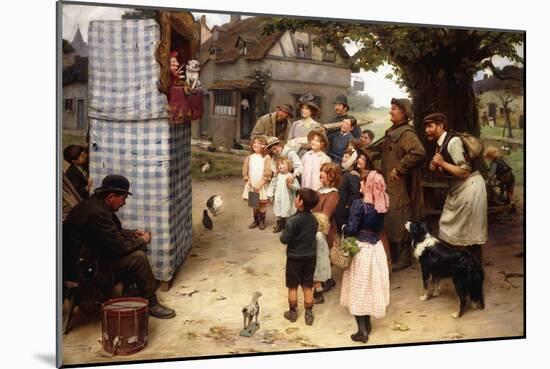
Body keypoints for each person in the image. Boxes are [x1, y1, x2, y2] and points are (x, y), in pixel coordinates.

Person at [63, 174, 176, 319]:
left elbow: (110, 232)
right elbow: (119, 247)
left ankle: (130, 290)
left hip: (88, 259)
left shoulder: (96, 204)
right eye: (123, 198)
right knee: (138, 257)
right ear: (111, 196)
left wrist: (132, 234)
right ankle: (152, 303)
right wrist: (142, 240)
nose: (124, 203)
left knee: (136, 246)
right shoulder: (97, 213)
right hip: (85, 272)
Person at [369, 98, 426, 271]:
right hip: (389, 184)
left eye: (394, 109)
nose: (390, 111)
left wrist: (400, 167)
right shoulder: (393, 131)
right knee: (391, 216)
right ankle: (393, 255)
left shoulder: (407, 133)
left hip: (401, 185)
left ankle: (404, 257)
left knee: (400, 216)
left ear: (404, 113)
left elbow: (419, 152)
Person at [424, 112, 488, 261]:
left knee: (471, 233)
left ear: (440, 126)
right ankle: (458, 268)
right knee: (449, 227)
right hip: (459, 189)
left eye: (430, 126)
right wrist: (438, 169)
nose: (426, 130)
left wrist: (442, 163)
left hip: (470, 188)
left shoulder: (453, 143)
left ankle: (474, 273)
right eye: (426, 126)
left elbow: (465, 171)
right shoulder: (441, 144)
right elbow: (448, 173)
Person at [340, 171, 390, 343]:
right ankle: (367, 325)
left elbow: (352, 229)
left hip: (361, 249)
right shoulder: (383, 201)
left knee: (359, 289)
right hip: (376, 248)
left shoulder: (359, 204)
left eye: (363, 182)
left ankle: (362, 332)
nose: (360, 185)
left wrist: (345, 227)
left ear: (368, 185)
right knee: (370, 288)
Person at [280, 188, 320, 326]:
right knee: (307, 285)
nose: (295, 199)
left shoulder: (292, 221)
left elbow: (284, 239)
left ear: (300, 202)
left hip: (294, 258)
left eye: (296, 197)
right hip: (310, 257)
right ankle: (308, 314)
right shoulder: (314, 220)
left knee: (292, 286)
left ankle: (292, 312)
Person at [312, 162, 341, 292]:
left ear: (332, 177)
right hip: (314, 227)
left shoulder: (333, 194)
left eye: (325, 172)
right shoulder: (320, 191)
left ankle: (324, 282)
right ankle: (325, 280)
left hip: (324, 231)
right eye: (321, 171)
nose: (321, 174)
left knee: (321, 257)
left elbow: (325, 216)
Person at [242, 136, 273, 230]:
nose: (255, 144)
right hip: (252, 184)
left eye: (258, 143)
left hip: (261, 184)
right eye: (254, 143)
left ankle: (262, 220)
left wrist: (260, 184)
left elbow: (268, 173)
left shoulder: (266, 158)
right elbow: (245, 170)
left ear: (263, 146)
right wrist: (248, 180)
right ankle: (256, 220)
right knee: (254, 204)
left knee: (262, 204)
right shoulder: (250, 157)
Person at [267, 157, 300, 233]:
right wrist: (270, 194)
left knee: (287, 211)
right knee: (278, 211)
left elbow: (297, 188)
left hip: (287, 198)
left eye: (282, 164)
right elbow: (273, 185)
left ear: (288, 166)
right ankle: (279, 224)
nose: (280, 166)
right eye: (278, 164)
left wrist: (290, 185)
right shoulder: (277, 176)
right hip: (278, 197)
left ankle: (288, 226)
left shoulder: (291, 176)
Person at [312, 212, 331, 304]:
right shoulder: (322, 234)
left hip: (318, 263)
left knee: (316, 281)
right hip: (322, 261)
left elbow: (316, 249)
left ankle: (319, 296)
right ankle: (316, 293)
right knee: (318, 280)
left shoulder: (317, 236)